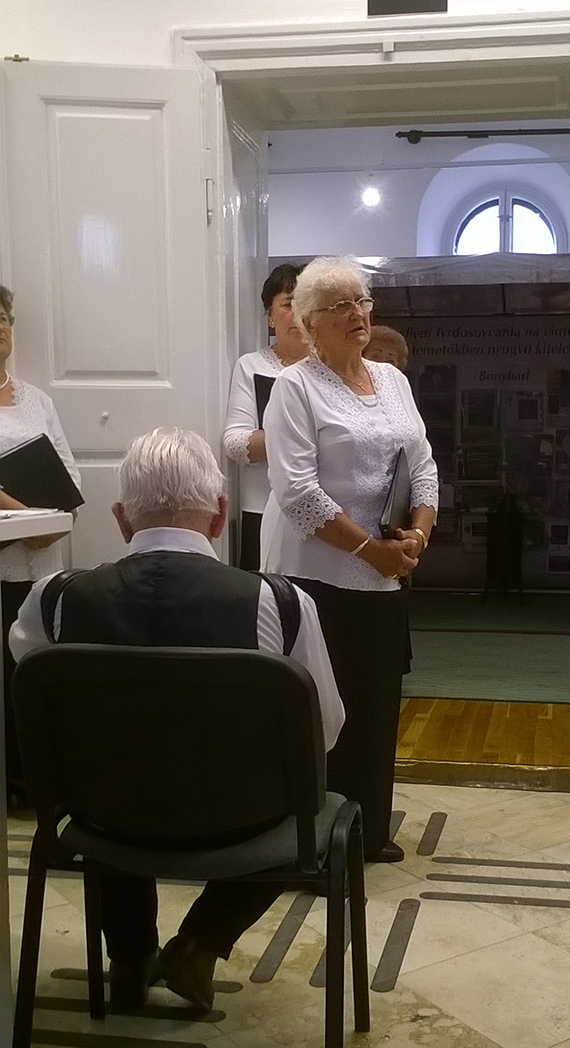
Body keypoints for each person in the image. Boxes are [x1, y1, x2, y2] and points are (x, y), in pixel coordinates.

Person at [10, 427, 344, 1014]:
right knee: (310, 800)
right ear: (220, 515)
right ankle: (200, 944)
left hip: (102, 820)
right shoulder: (281, 603)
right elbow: (325, 731)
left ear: (121, 519)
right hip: (239, 826)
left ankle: (129, 956)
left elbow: (44, 715)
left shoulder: (52, 599)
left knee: (113, 761)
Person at [261, 257, 438, 863]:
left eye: (362, 300)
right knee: (321, 710)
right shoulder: (295, 387)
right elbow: (298, 492)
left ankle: (367, 832)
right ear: (309, 322)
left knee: (376, 701)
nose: (358, 314)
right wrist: (372, 550)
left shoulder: (392, 381)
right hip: (318, 575)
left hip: (386, 571)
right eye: (340, 305)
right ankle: (313, 839)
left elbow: (423, 466)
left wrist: (416, 537)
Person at [0, 285, 82, 804]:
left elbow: (69, 478)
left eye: (4, 317)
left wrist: (57, 518)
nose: (0, 327)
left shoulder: (38, 401)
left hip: (43, 558)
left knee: (36, 666)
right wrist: (27, 514)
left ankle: (38, 777)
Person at [223, 262, 309, 569]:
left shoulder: (333, 369)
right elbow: (235, 444)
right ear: (270, 315)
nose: (298, 313)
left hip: (326, 511)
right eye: (288, 304)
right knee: (264, 594)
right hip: (261, 509)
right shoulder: (252, 366)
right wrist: (296, 432)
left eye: (306, 303)